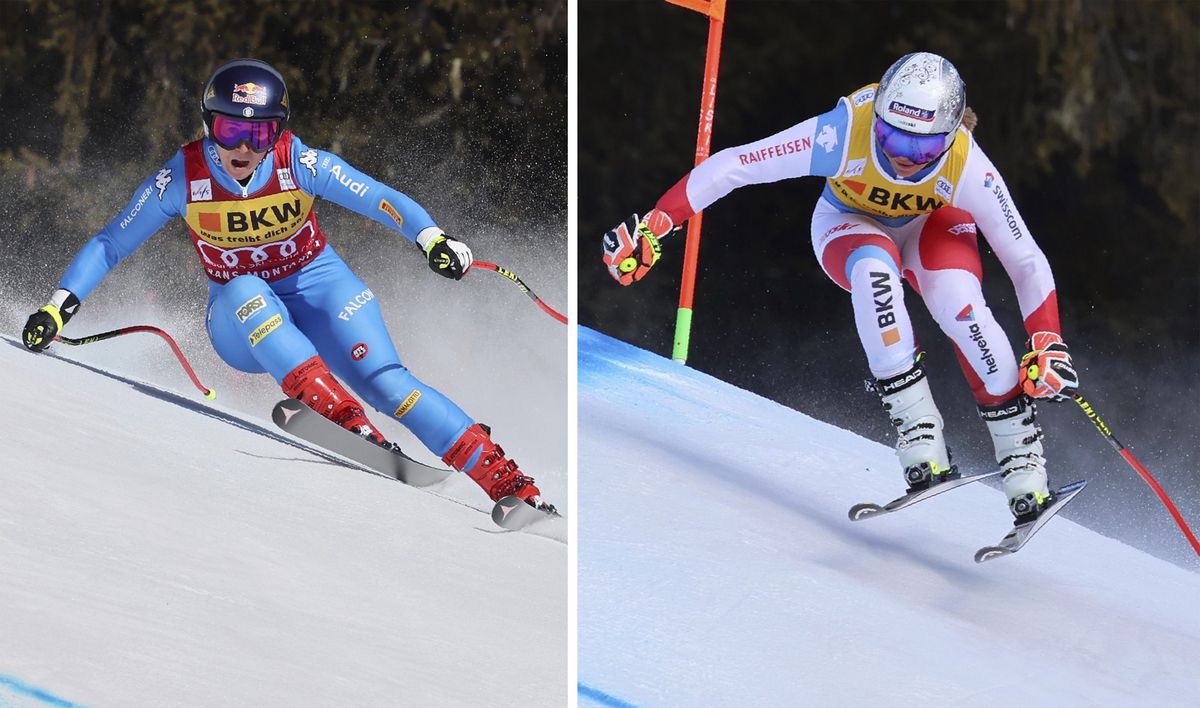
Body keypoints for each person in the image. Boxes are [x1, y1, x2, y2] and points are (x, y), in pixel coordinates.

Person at [22, 58, 555, 514]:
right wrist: (57, 309)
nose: (244, 148)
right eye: (230, 131)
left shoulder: (298, 162)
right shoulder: (182, 177)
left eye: (259, 134)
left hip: (319, 287)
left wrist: (432, 238)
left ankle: (512, 487)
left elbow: (377, 197)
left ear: (277, 131)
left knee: (390, 384)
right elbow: (111, 243)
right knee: (245, 287)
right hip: (243, 323)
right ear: (209, 126)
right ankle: (341, 417)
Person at [602, 52, 1078, 523]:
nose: (901, 158)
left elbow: (1025, 258)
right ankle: (919, 435)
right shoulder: (844, 130)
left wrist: (1046, 339)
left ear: (951, 136)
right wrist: (655, 224)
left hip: (931, 226)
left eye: (922, 150)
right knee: (874, 272)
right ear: (878, 118)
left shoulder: (966, 164)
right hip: (851, 223)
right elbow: (735, 165)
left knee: (961, 305)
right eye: (891, 137)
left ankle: (1024, 472)